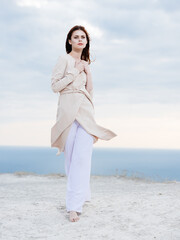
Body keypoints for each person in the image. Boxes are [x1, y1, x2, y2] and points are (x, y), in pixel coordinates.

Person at [51, 25, 117, 222]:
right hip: (68, 113)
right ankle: (82, 194)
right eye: (76, 37)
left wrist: (87, 73)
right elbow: (55, 86)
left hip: (86, 113)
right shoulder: (64, 59)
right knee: (72, 159)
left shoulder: (86, 62)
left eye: (83, 37)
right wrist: (74, 72)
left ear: (86, 42)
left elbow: (90, 92)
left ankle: (74, 206)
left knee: (83, 158)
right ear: (70, 40)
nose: (80, 39)